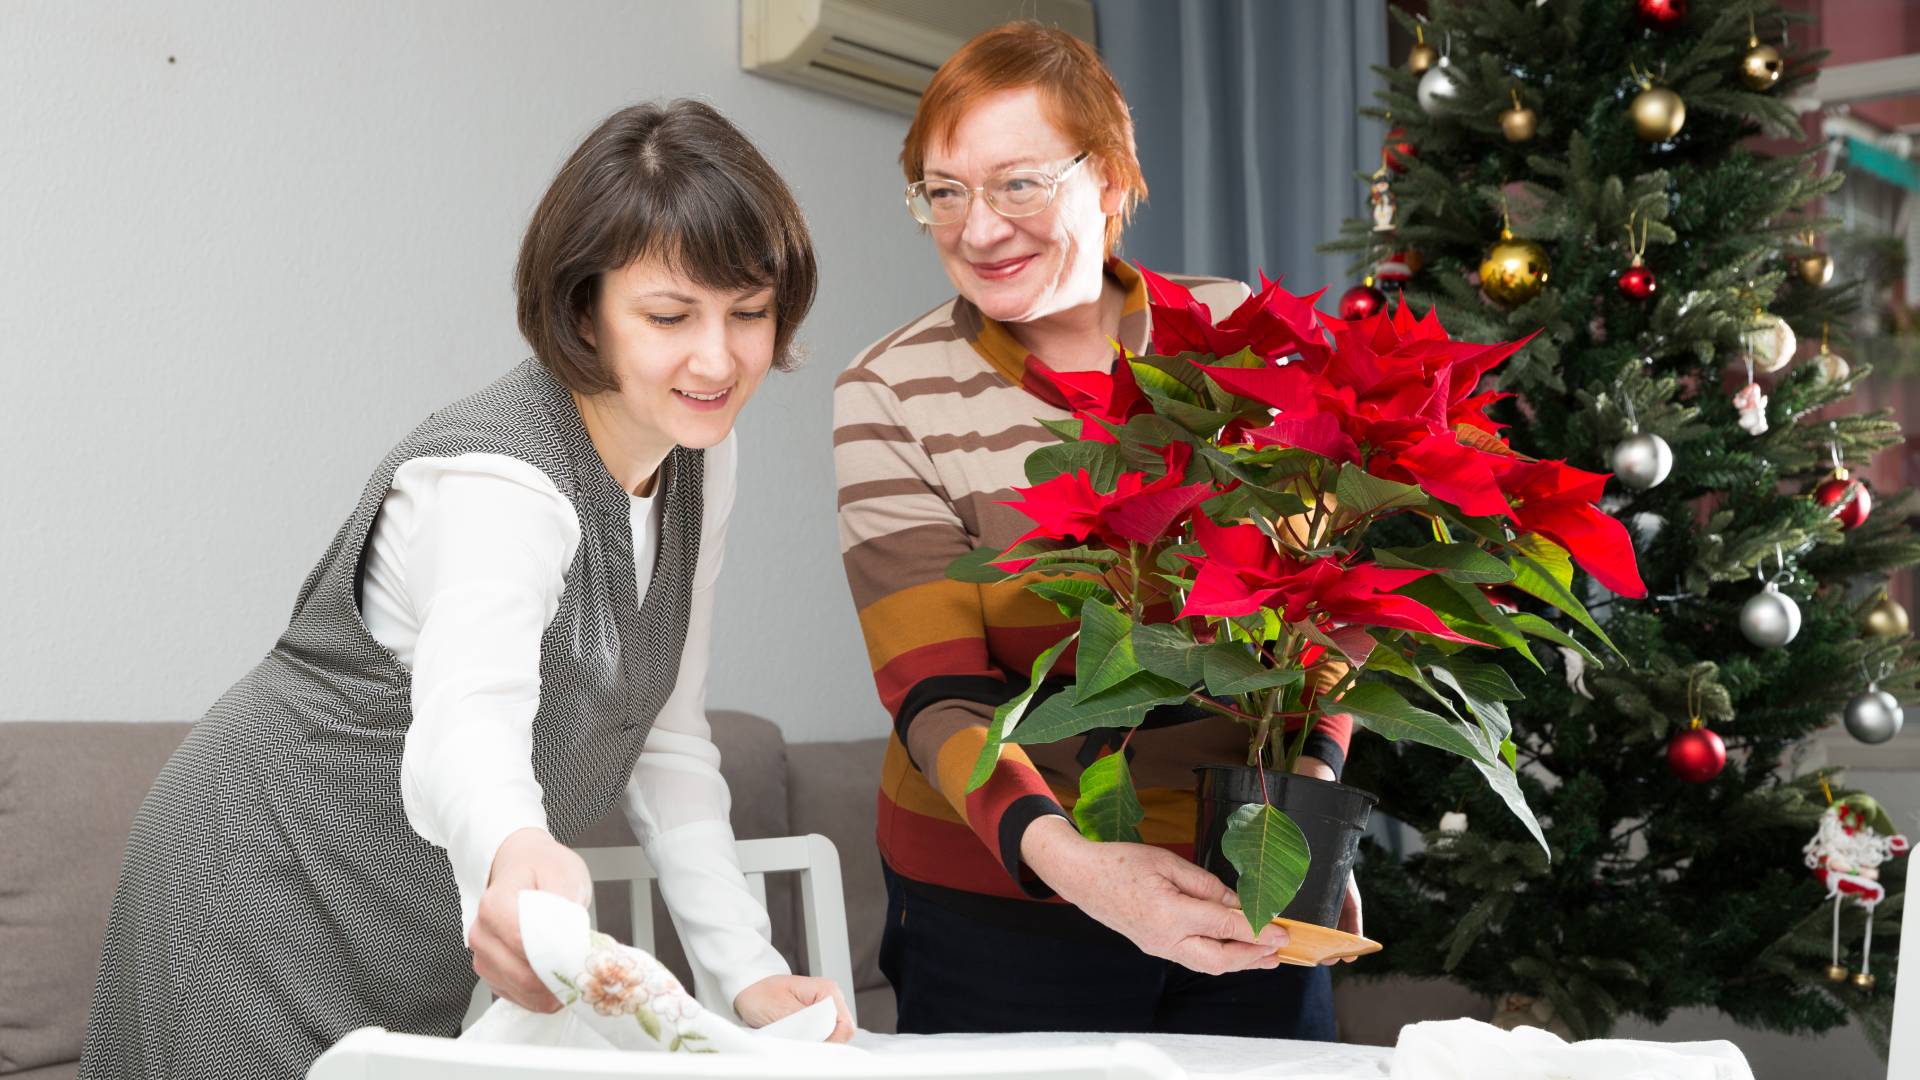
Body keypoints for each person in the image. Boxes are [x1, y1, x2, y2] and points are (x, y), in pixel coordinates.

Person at [80, 99, 852, 1080]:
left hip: (406, 934)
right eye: (669, 316)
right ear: (584, 309)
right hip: (255, 881)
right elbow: (470, 723)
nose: (718, 358)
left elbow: (664, 735)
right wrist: (514, 843)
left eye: (749, 313)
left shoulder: (702, 458)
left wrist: (748, 974)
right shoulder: (501, 482)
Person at [833, 23, 1358, 1038]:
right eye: (944, 192)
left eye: (1018, 184)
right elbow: (938, 693)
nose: (978, 229)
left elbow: (1321, 611)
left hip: (1241, 876)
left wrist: (1307, 819)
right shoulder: (891, 389)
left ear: (1110, 179)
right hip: (998, 900)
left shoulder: (1239, 337)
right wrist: (1080, 870)